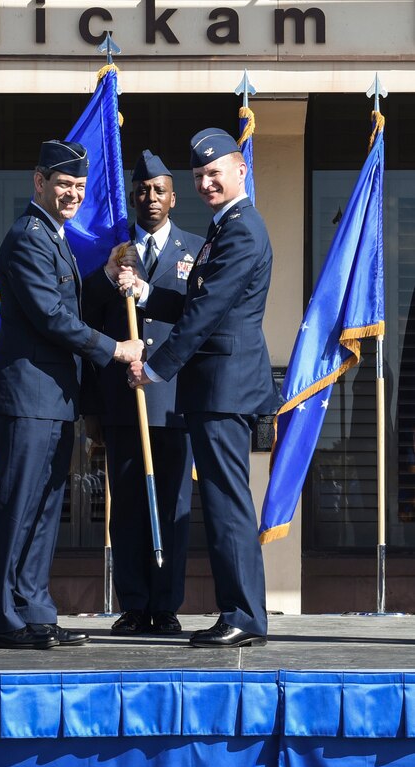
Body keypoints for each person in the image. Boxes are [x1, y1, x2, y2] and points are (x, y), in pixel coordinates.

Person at [0, 139, 144, 650]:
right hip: (27, 397)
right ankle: (2, 620)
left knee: (46, 508)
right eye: (63, 184)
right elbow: (51, 316)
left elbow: (65, 301)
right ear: (39, 182)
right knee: (20, 505)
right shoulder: (28, 237)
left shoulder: (54, 236)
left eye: (78, 186)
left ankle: (34, 611)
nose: (72, 194)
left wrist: (106, 278)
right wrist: (116, 350)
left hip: (50, 399)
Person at [124, 128, 281, 648]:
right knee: (220, 501)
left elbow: (208, 313)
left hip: (224, 387)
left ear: (241, 170)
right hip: (215, 387)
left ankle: (243, 614)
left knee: (226, 502)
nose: (207, 182)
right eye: (198, 177)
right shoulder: (224, 226)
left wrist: (155, 367)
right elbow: (199, 301)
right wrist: (147, 292)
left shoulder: (241, 229)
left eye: (216, 173)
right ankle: (239, 610)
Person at [82, 150, 203, 636]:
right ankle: (134, 603)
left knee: (173, 507)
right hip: (123, 401)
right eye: (142, 190)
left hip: (173, 401)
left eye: (160, 190)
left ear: (174, 197)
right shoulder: (113, 252)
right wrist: (93, 408)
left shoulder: (196, 250)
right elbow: (86, 319)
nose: (150, 198)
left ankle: (166, 604)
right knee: (128, 506)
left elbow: (198, 321)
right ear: (131, 196)